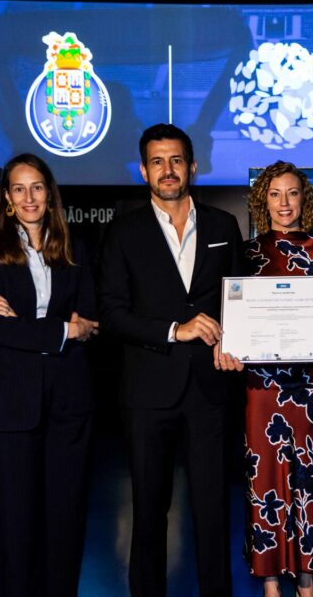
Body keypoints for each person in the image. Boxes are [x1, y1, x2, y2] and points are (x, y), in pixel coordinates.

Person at [97, 123, 244, 597]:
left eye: (176, 160)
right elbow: (112, 313)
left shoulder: (224, 226)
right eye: (157, 161)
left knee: (213, 510)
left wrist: (233, 339)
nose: (168, 169)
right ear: (143, 170)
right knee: (149, 511)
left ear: (193, 167)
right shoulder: (123, 231)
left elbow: (238, 299)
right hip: (148, 390)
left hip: (209, 387)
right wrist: (173, 331)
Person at [0, 154, 98, 597]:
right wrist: (63, 328)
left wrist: (31, 325)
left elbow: (92, 320)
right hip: (7, 405)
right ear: (7, 198)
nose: (29, 197)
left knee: (64, 515)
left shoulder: (74, 248)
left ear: (50, 193)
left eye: (37, 187)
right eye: (19, 189)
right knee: (12, 519)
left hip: (67, 403)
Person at [215, 161, 313, 597]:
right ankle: (269, 579)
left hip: (311, 388)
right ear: (261, 200)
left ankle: (307, 576)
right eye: (274, 194)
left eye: (292, 193)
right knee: (264, 478)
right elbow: (231, 320)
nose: (284, 203)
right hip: (262, 387)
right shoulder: (245, 255)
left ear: (304, 199)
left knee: (311, 477)